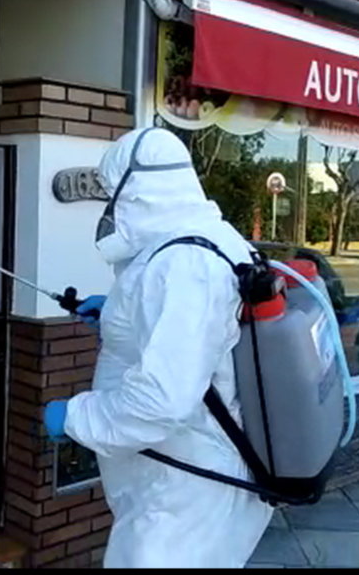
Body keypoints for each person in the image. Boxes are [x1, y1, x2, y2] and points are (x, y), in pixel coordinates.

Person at [43, 127, 273, 568]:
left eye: (113, 194)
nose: (110, 208)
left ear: (139, 190)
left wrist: (74, 416)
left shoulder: (185, 264)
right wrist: (120, 315)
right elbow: (202, 333)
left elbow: (161, 402)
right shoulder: (210, 240)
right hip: (193, 476)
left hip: (187, 491)